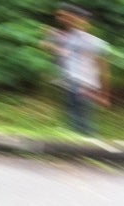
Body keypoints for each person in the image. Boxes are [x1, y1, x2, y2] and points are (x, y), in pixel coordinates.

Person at [40, 3, 111, 136]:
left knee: (81, 121)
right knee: (74, 118)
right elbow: (62, 52)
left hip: (84, 84)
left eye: (63, 15)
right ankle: (82, 145)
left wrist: (104, 95)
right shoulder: (71, 38)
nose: (60, 19)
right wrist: (50, 44)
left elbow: (104, 70)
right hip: (72, 82)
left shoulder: (95, 43)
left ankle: (89, 145)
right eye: (59, 15)